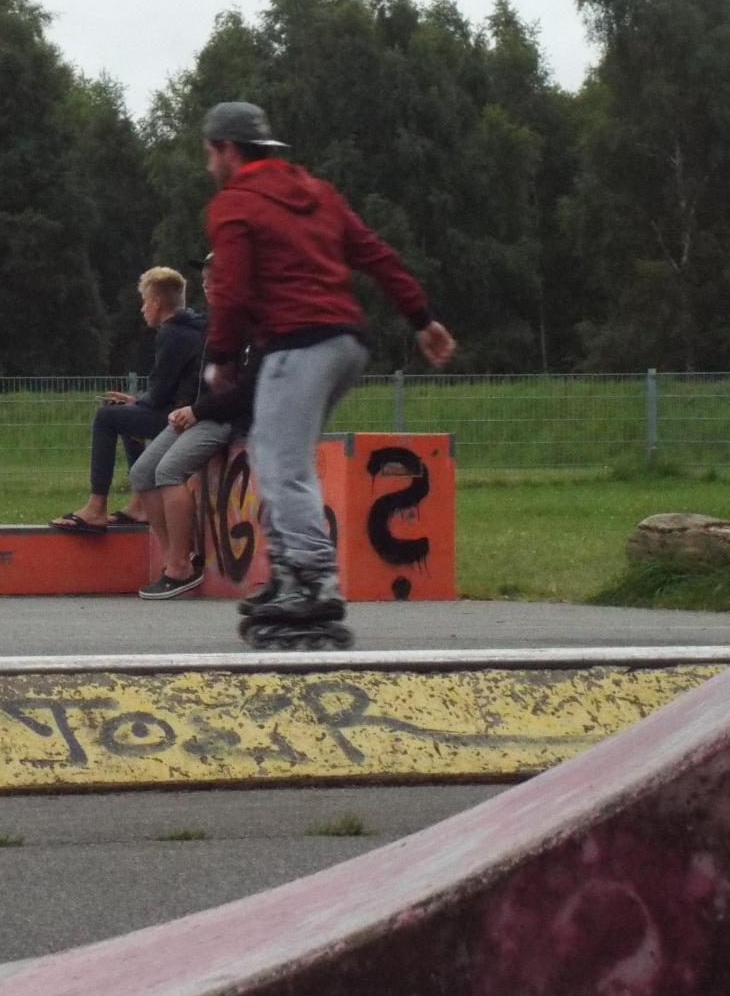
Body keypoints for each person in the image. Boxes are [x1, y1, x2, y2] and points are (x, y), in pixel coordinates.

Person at [200, 101, 456, 642]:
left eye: (209, 154)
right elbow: (377, 255)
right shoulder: (318, 193)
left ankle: (313, 580)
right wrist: (422, 319)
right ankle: (288, 570)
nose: (208, 167)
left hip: (298, 343)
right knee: (271, 450)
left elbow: (232, 290)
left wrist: (221, 357)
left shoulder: (234, 204)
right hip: (346, 342)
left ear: (227, 149)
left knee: (281, 462)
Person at [129, 255, 258, 599]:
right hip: (196, 413)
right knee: (142, 473)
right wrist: (181, 408)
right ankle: (177, 558)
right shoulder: (213, 324)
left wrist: (197, 411)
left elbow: (242, 391)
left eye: (215, 280)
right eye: (204, 280)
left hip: (222, 418)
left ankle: (179, 568)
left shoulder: (250, 326)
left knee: (169, 471)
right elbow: (196, 377)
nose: (206, 286)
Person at [49, 266, 205, 534]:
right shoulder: (192, 328)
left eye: (144, 302)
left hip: (181, 417)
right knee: (125, 415)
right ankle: (138, 504)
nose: (142, 309)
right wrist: (137, 403)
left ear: (156, 303)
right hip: (182, 409)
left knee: (106, 418)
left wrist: (139, 403)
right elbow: (166, 389)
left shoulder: (171, 333)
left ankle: (96, 507)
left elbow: (160, 392)